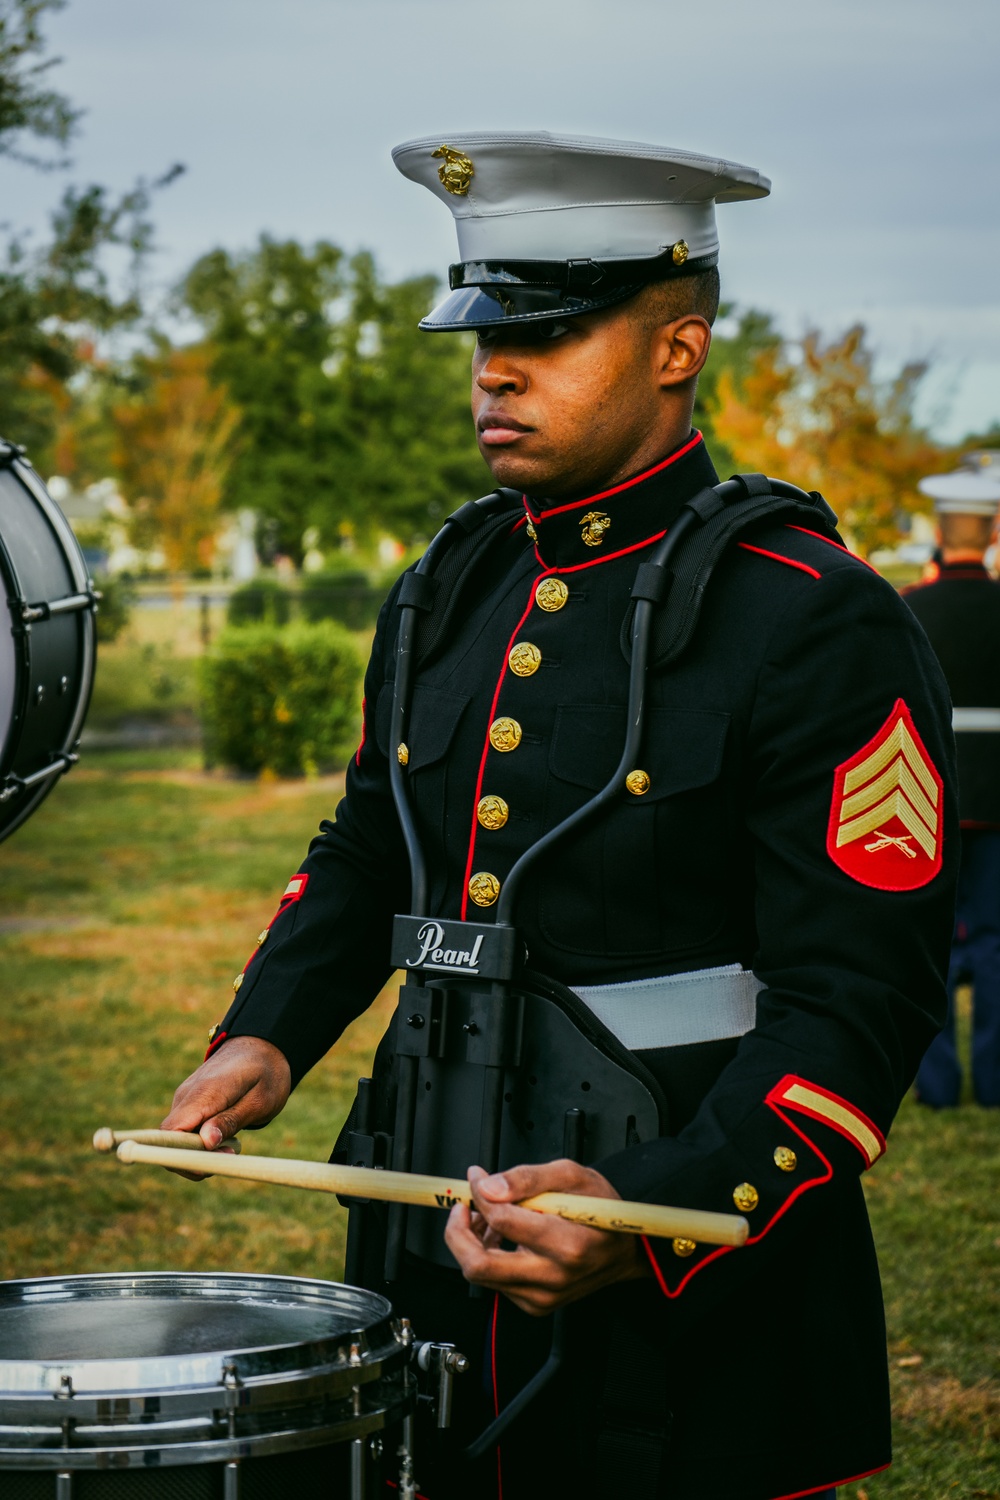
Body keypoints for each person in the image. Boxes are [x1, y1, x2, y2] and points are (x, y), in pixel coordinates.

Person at [163, 132, 957, 1500]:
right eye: (483, 332)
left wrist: (657, 1219)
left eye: (552, 330)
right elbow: (372, 842)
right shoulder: (452, 583)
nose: (496, 368)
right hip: (427, 1228)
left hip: (691, 1294)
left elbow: (860, 1000)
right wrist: (269, 1030)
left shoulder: (813, 615)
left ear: (677, 346)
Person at [903, 461, 1000, 1107]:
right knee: (996, 943)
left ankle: (936, 1087)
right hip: (999, 797)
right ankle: (995, 1084)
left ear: (940, 529)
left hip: (927, 794)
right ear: (992, 531)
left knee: (928, 945)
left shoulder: (906, 606)